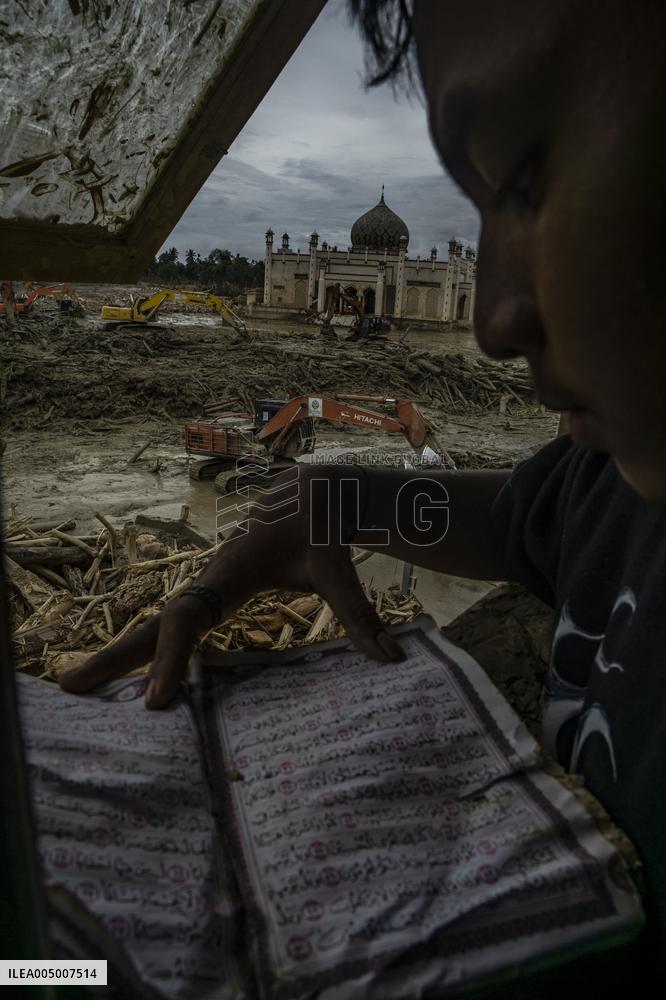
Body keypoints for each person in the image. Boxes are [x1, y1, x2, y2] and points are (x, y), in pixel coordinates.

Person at [60, 0, 666, 980]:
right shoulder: (623, 488)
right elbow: (527, 517)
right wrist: (333, 504)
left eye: (523, 174)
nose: (491, 325)